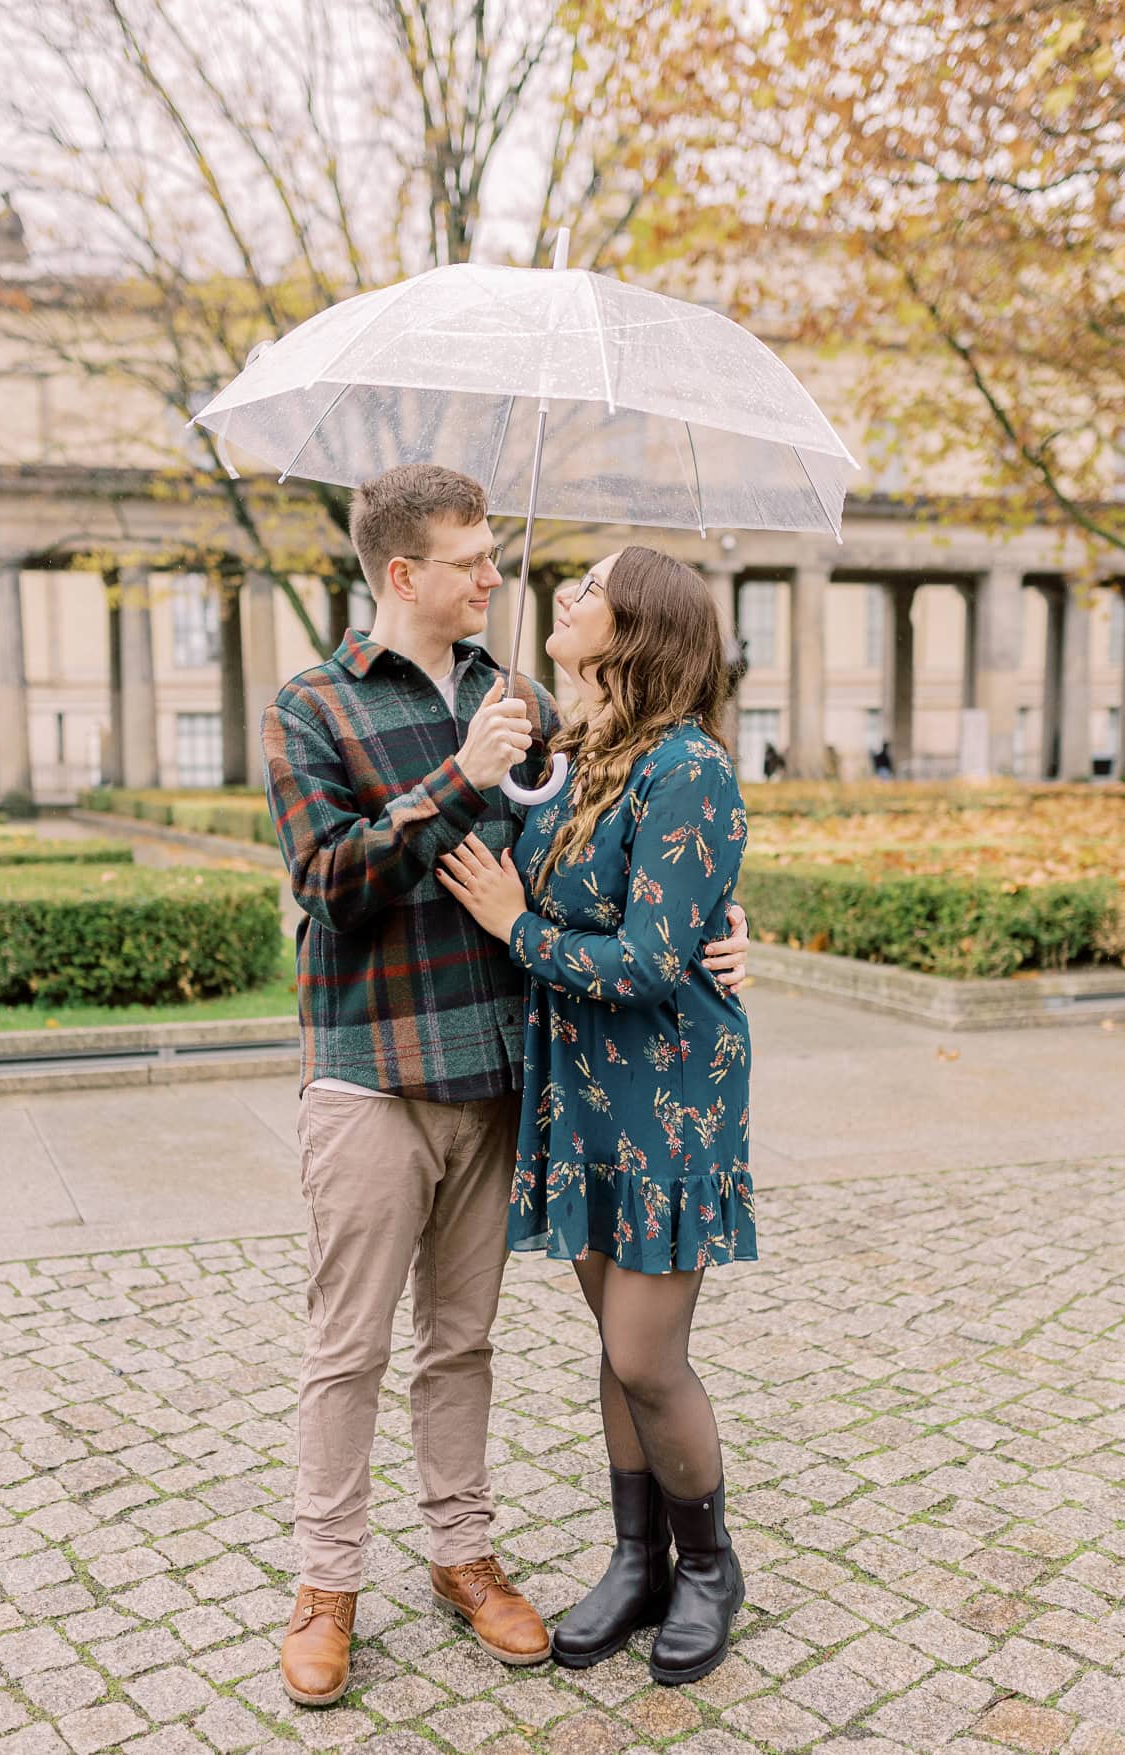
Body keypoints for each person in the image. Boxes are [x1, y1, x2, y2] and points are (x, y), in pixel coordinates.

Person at [262, 466, 751, 1706]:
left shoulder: (522, 699)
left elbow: (625, 862)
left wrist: (723, 924)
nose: (499, 575)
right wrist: (462, 781)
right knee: (347, 1350)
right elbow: (327, 883)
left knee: (468, 1344)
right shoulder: (313, 705)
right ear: (402, 575)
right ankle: (327, 1589)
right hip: (373, 1068)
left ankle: (471, 1559)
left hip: (508, 1079)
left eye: (499, 554)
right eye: (471, 558)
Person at [438, 546, 755, 1687]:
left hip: (668, 1093)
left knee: (644, 1352)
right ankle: (639, 1560)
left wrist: (520, 928)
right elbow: (489, 862)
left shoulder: (689, 769)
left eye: (590, 585)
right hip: (576, 1095)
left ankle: (710, 1565)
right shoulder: (570, 755)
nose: (565, 592)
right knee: (615, 1356)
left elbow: (655, 960)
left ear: (638, 628)